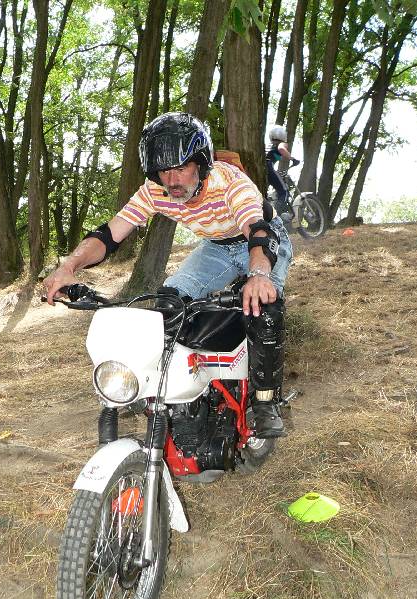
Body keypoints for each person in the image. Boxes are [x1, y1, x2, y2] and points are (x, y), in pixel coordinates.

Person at [42, 112, 293, 437]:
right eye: (163, 171)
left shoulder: (230, 182)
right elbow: (109, 235)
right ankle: (172, 387)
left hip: (262, 240)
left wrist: (258, 275)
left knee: (264, 306)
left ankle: (265, 402)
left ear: (201, 163)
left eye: (180, 168)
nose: (172, 180)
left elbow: (258, 231)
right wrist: (68, 267)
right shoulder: (154, 191)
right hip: (216, 247)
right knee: (169, 303)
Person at [266, 124, 299, 215]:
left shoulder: (269, 145)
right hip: (268, 166)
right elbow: (281, 149)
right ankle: (275, 216)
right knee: (284, 192)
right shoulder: (281, 143)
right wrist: (293, 159)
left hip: (262, 167)